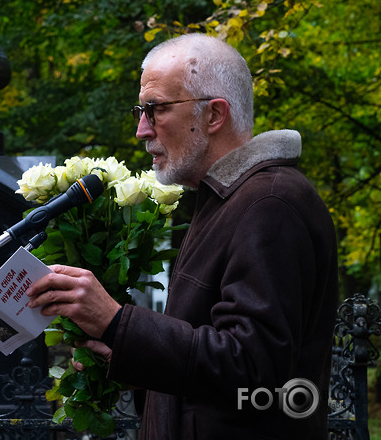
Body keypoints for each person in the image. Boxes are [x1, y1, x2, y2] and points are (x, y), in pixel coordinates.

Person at [26, 33, 338, 439]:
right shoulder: (227, 200)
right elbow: (212, 367)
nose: (141, 130)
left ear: (214, 115)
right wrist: (134, 360)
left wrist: (118, 323)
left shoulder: (270, 204)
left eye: (154, 110)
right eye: (141, 111)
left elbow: (254, 375)